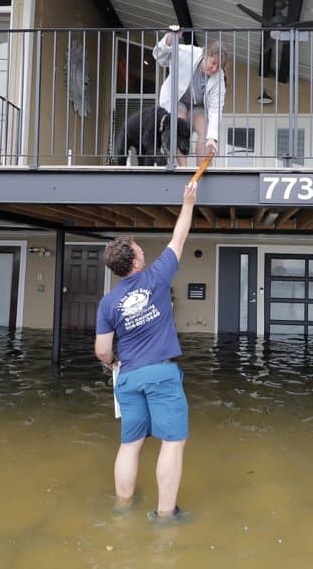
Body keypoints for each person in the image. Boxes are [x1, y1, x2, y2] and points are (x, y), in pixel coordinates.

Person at [94, 180, 198, 524]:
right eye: (139, 249)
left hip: (128, 377)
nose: (142, 250)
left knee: (130, 444)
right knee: (172, 442)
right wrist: (187, 202)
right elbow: (179, 237)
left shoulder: (109, 302)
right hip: (161, 374)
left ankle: (123, 508)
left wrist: (113, 364)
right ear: (135, 261)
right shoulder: (156, 277)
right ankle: (165, 515)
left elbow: (102, 351)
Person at [153, 28, 228, 166]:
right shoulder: (188, 53)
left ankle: (202, 171)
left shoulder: (219, 78)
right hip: (178, 100)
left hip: (198, 106)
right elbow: (159, 55)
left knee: (205, 134)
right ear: (205, 55)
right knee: (177, 128)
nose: (214, 69)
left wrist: (213, 138)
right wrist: (170, 38)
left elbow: (216, 108)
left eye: (219, 67)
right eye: (212, 63)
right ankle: (183, 168)